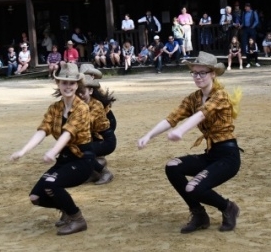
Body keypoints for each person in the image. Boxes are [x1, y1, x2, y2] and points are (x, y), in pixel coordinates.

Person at [137, 51, 242, 233]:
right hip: (211, 154)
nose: (198, 76)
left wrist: (181, 131)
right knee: (173, 166)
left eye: (203, 72)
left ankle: (228, 207)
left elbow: (202, 114)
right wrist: (149, 135)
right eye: (195, 72)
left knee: (193, 187)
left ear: (213, 74)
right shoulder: (193, 98)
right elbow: (172, 118)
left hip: (228, 157)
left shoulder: (220, 95)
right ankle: (198, 213)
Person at [9, 63, 94, 236]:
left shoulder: (82, 108)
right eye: (64, 83)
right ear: (58, 84)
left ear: (77, 85)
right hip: (64, 160)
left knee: (51, 184)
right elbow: (42, 130)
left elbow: (68, 133)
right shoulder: (54, 108)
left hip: (82, 159)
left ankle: (77, 218)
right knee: (36, 197)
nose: (68, 86)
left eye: (71, 83)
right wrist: (23, 151)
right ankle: (66, 211)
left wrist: (53, 151)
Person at [76, 74, 116, 185]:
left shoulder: (96, 105)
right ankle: (93, 173)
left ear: (90, 91)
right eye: (77, 93)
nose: (80, 95)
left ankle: (104, 172)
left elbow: (85, 124)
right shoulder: (78, 104)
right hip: (94, 136)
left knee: (78, 150)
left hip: (105, 140)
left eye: (82, 92)